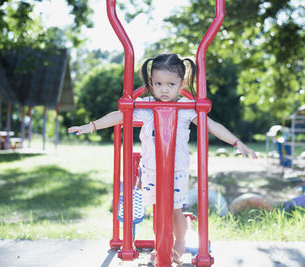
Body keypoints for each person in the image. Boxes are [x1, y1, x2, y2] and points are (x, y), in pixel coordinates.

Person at [68, 53, 257, 264]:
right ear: (151, 83)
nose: (164, 89)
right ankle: (161, 246)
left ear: (182, 83)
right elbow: (120, 115)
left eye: (170, 84)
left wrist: (236, 142)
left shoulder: (186, 108)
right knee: (157, 210)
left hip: (176, 170)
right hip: (151, 170)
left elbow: (211, 125)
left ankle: (180, 241)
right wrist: (91, 126)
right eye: (158, 83)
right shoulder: (145, 106)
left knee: (175, 210)